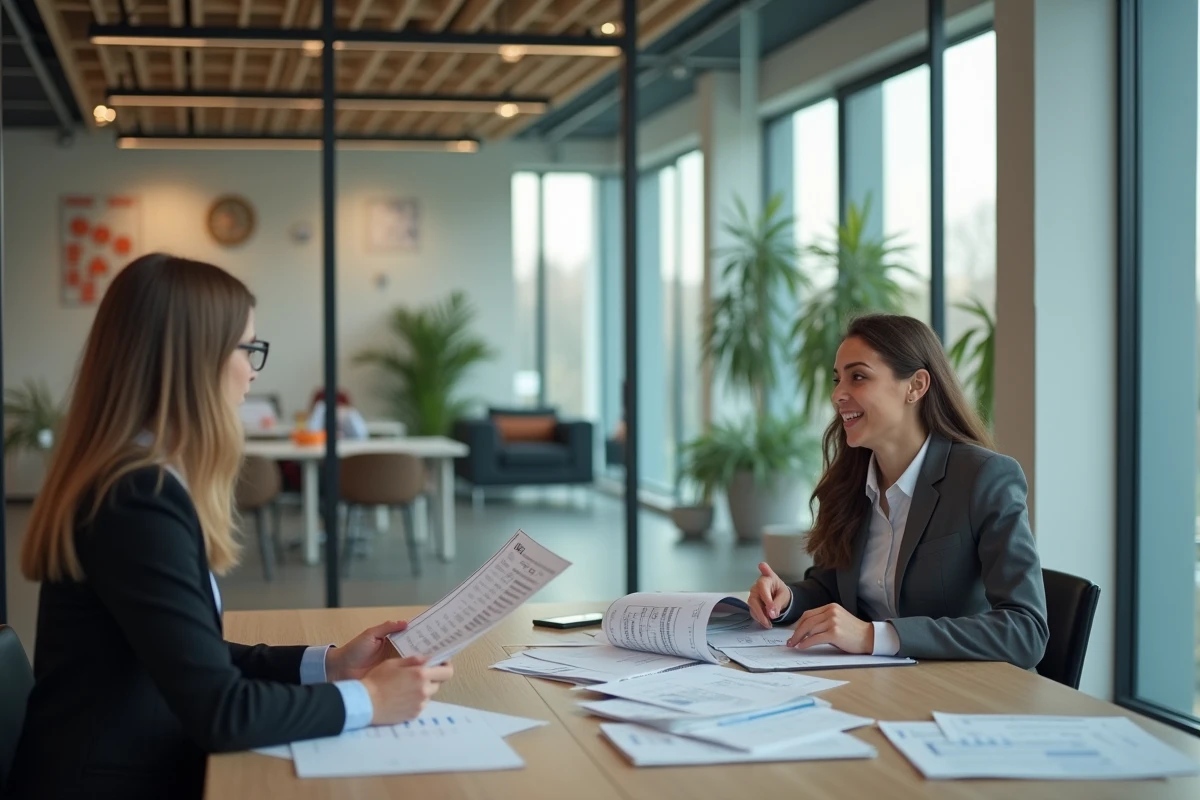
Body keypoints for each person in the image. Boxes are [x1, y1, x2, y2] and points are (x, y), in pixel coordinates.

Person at [8, 254, 452, 800]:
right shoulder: (136, 499)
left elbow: (192, 651)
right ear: (195, 359)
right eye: (249, 348)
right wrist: (371, 702)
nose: (255, 368)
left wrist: (331, 664)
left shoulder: (138, 479)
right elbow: (220, 711)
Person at [748, 313, 1048, 669]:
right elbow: (832, 586)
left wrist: (874, 636)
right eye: (837, 379)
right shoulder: (848, 480)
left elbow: (1025, 629)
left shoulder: (984, 478)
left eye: (857, 377)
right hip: (873, 685)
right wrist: (788, 599)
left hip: (959, 693)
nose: (837, 394)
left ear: (916, 386)